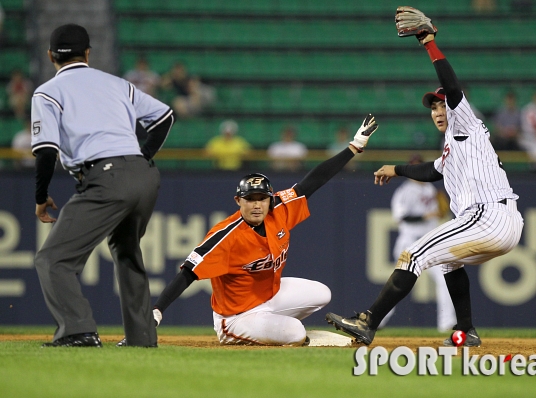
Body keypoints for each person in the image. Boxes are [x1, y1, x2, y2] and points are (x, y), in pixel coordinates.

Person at [325, 7, 524, 347]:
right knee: (448, 263)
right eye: (432, 107)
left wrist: (429, 43)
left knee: (414, 254)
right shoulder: (453, 143)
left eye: (441, 105)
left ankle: (368, 321)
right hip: (501, 220)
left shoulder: (466, 123)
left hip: (488, 215)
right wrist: (397, 169)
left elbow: (452, 86)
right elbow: (434, 170)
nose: (437, 111)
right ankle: (467, 331)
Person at [117, 115, 379, 347]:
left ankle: (273, 327)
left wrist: (353, 148)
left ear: (269, 199)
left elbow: (313, 181)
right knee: (296, 333)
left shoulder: (279, 209)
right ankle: (239, 333)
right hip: (235, 316)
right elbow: (188, 272)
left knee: (323, 293)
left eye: (261, 198)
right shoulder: (226, 235)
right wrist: (157, 312)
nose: (256, 204)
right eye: (250, 198)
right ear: (238, 201)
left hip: (268, 297)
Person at [31, 24, 175, 347]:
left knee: (53, 260)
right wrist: (142, 156)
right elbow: (165, 117)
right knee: (127, 253)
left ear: (51, 55)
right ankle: (142, 338)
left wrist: (40, 197)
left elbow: (46, 151)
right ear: (88, 53)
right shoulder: (117, 84)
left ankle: (77, 330)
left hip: (105, 177)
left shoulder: (47, 92)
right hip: (144, 176)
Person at [378, 154, 456, 332]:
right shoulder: (404, 191)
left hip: (430, 242)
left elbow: (440, 213)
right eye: (413, 167)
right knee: (399, 284)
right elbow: (401, 217)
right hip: (410, 244)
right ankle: (378, 319)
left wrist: (438, 213)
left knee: (445, 280)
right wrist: (425, 216)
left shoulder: (429, 189)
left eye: (418, 167)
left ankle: (447, 324)